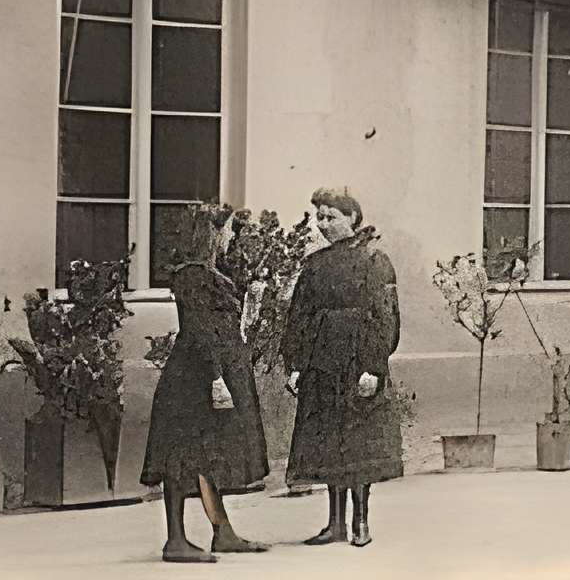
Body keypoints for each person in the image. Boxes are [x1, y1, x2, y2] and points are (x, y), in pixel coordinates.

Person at [141, 202, 269, 564]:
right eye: (224, 229)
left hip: (208, 374)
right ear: (208, 234)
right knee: (181, 458)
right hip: (193, 380)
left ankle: (222, 531)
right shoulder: (191, 275)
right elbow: (197, 330)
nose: (229, 235)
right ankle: (175, 541)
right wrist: (216, 378)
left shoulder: (211, 275)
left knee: (205, 457)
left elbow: (223, 325)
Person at [283, 188, 401, 547]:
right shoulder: (314, 265)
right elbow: (299, 318)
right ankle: (333, 524)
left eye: (331, 216)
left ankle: (359, 523)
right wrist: (296, 364)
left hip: (357, 363)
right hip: (321, 364)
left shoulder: (374, 261)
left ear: (352, 218)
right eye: (319, 217)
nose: (323, 224)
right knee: (329, 442)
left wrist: (374, 367)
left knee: (358, 442)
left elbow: (386, 318)